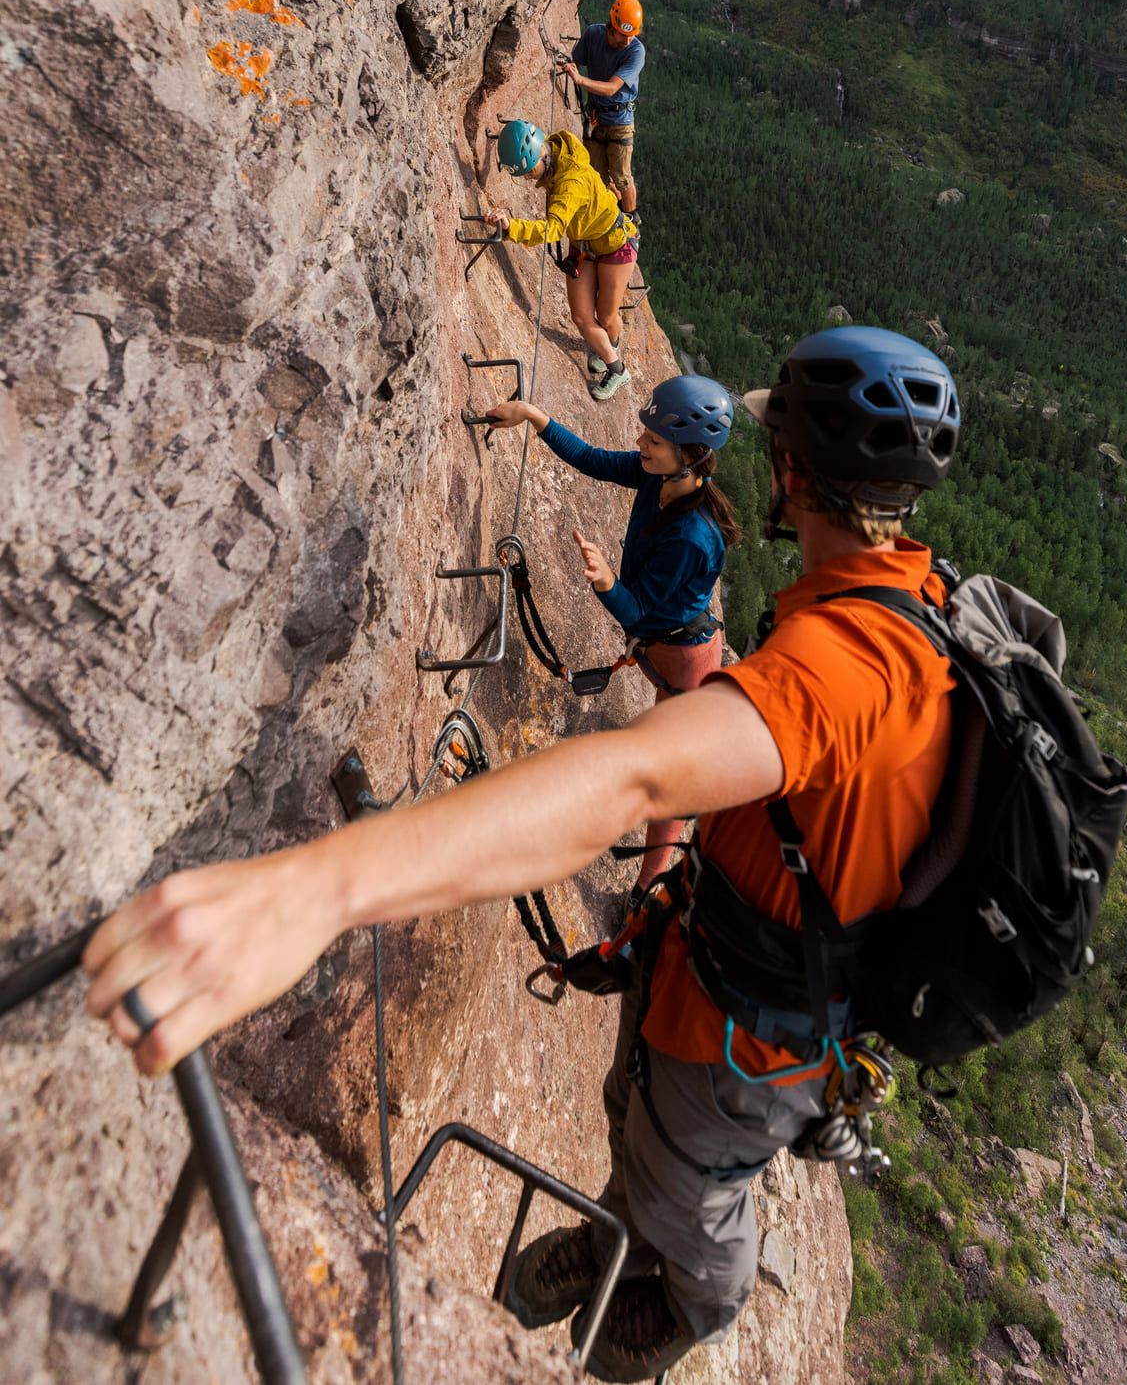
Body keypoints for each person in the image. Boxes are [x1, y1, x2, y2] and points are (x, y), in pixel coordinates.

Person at [82, 326, 962, 1384]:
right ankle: (617, 1235)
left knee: (693, 1191)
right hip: (711, 968)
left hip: (747, 1041)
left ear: (787, 467)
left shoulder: (844, 665)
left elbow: (630, 778)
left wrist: (316, 885)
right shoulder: (901, 603)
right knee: (640, 1133)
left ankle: (684, 1301)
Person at [485, 373, 740, 890]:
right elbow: (594, 460)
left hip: (683, 658)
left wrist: (606, 583)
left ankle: (649, 885)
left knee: (669, 779)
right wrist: (536, 417)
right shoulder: (659, 477)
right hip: (665, 649)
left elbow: (640, 614)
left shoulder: (692, 535)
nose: (640, 443)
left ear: (688, 453)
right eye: (645, 434)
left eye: (653, 440)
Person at [485, 118, 638, 401]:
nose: (530, 179)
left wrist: (511, 228)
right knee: (581, 316)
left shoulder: (570, 184)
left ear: (537, 158)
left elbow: (553, 229)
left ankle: (615, 364)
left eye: (529, 173)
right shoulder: (555, 147)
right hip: (584, 243)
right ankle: (607, 351)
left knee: (605, 316)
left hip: (617, 243)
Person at [559, 0, 644, 213]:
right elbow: (574, 61)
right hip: (594, 118)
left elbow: (612, 88)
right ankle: (614, 213)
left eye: (632, 36)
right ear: (612, 27)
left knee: (622, 178)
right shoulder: (594, 35)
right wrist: (564, 63)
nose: (628, 41)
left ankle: (631, 224)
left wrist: (579, 79)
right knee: (597, 177)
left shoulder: (636, 51)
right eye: (624, 35)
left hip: (619, 121)